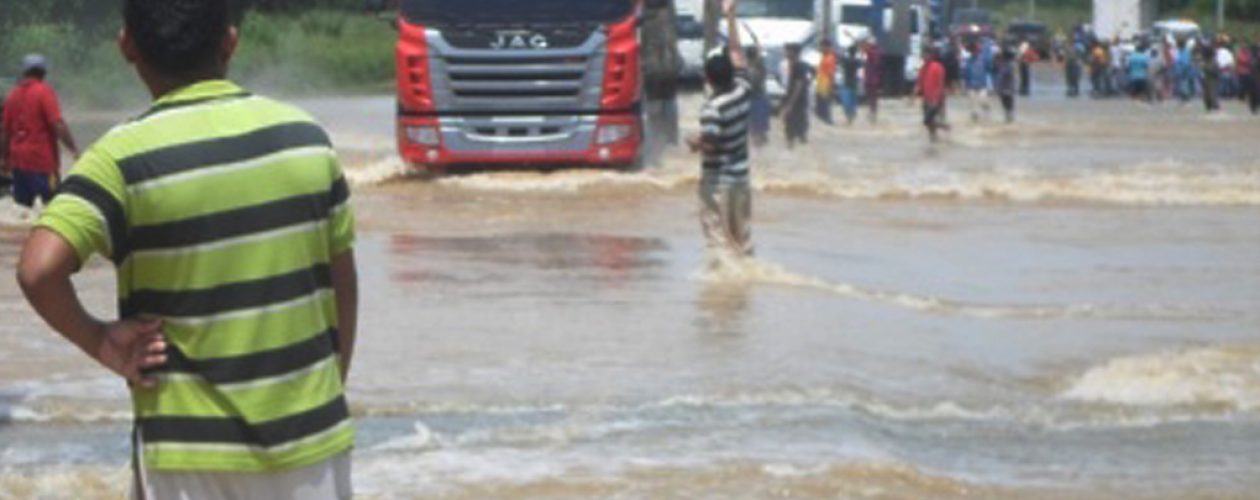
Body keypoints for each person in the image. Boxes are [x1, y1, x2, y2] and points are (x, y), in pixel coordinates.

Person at [16, 0, 359, 498]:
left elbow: (38, 270)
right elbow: (343, 289)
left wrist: (101, 341)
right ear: (231, 41)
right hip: (312, 445)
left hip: (184, 453)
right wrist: (327, 393)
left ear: (127, 46)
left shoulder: (120, 158)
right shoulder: (307, 140)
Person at [687, 0, 753, 258]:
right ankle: (744, 289)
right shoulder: (743, 89)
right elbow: (738, 53)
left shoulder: (712, 109)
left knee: (717, 241)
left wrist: (694, 142)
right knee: (741, 240)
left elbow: (711, 143)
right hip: (741, 180)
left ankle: (722, 292)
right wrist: (731, 16)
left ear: (709, 79)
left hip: (718, 184)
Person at [1, 54, 80, 208]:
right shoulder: (44, 92)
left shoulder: (12, 96)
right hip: (42, 163)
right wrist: (73, 148)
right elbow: (57, 124)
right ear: (43, 72)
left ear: (24, 72)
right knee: (53, 206)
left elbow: (5, 132)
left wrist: (4, 158)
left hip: (18, 163)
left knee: (23, 208)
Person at [640, 0, 683, 166]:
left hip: (657, 69)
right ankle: (664, 150)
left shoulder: (648, 11)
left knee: (657, 110)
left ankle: (660, 151)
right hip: (663, 67)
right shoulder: (665, 9)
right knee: (662, 109)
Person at [779, 43, 811, 147]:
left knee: (791, 120)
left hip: (797, 98)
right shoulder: (795, 65)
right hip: (797, 97)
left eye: (787, 51)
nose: (785, 53)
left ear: (794, 53)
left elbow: (798, 85)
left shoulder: (798, 66)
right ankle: (799, 138)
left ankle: (792, 141)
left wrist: (790, 103)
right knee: (797, 119)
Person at [915, 47, 950, 143]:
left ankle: (944, 127)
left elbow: (940, 84)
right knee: (928, 123)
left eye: (927, 55)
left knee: (926, 120)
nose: (925, 57)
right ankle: (934, 138)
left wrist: (937, 99)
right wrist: (914, 94)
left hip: (936, 99)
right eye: (924, 55)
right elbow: (920, 83)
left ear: (931, 55)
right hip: (926, 99)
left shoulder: (938, 67)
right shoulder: (923, 68)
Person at [746, 46, 771, 146]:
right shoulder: (753, 69)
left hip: (757, 98)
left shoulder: (754, 68)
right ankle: (759, 142)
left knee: (758, 126)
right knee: (758, 125)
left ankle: (759, 141)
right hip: (757, 98)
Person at [963, 42, 991, 122]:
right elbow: (966, 73)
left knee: (982, 100)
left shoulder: (984, 59)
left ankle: (986, 109)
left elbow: (989, 69)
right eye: (972, 51)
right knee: (972, 101)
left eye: (975, 50)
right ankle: (974, 114)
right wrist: (966, 84)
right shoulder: (968, 61)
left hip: (982, 84)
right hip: (971, 85)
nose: (974, 52)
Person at [814, 39, 837, 125]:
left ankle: (827, 119)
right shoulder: (823, 56)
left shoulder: (830, 58)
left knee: (825, 101)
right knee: (820, 101)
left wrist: (831, 86)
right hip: (821, 81)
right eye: (821, 46)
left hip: (825, 82)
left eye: (822, 46)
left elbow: (831, 73)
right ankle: (823, 119)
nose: (821, 48)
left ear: (827, 47)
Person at [839, 45, 862, 125]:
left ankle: (848, 117)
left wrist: (844, 51)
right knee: (853, 102)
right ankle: (851, 116)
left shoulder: (845, 60)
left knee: (846, 102)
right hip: (854, 83)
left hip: (846, 83)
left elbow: (840, 57)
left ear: (849, 52)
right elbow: (862, 63)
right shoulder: (857, 61)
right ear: (855, 53)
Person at [862, 38, 883, 124]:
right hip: (872, 78)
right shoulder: (876, 52)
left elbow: (866, 50)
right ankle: (872, 114)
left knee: (872, 98)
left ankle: (872, 114)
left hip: (871, 79)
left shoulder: (873, 52)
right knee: (873, 98)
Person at [995, 48, 1017, 123]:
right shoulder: (1008, 64)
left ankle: (1009, 116)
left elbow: (1004, 76)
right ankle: (1009, 116)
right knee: (1008, 102)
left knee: (1006, 102)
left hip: (1006, 87)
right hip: (1008, 87)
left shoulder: (1008, 65)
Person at [1201, 41, 1222, 112]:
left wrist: (1205, 67)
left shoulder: (1212, 60)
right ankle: (1210, 104)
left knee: (1212, 91)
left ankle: (1213, 104)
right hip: (1208, 77)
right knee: (1208, 92)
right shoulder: (1209, 59)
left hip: (1212, 77)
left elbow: (1213, 69)